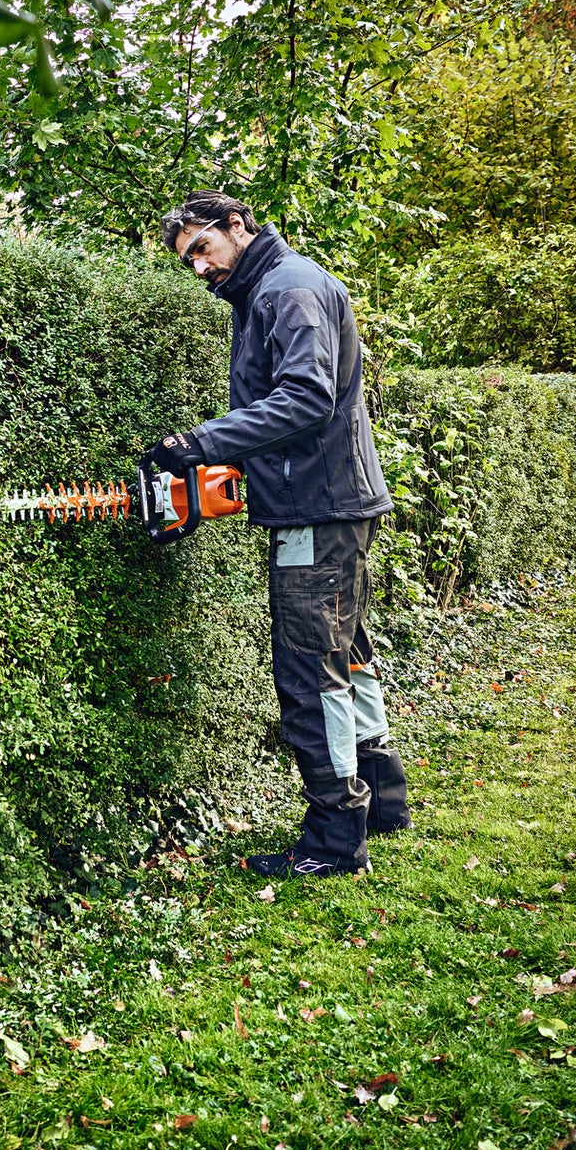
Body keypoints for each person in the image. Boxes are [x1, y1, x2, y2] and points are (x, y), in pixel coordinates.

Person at [146, 190, 408, 878]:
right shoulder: (274, 286)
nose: (198, 267)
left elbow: (304, 398)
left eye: (202, 248)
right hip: (331, 498)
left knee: (308, 669)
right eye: (188, 261)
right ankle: (381, 799)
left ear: (237, 225)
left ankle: (332, 838)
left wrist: (200, 442)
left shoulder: (285, 289)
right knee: (346, 655)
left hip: (315, 509)